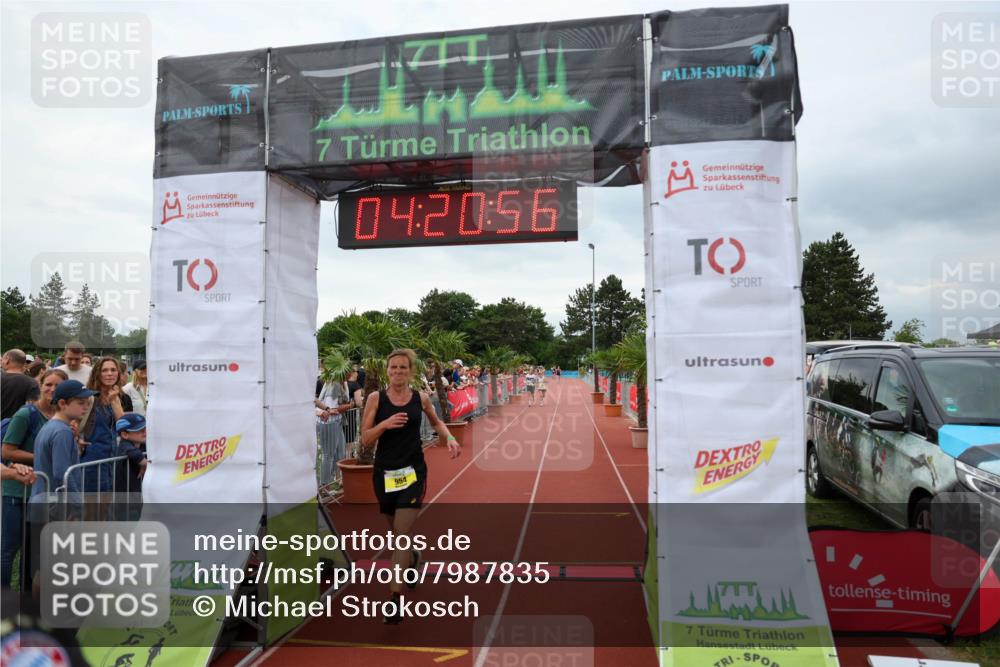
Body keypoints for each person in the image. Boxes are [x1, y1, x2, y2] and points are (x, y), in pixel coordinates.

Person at [360, 348, 460, 624]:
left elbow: (436, 421)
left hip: (414, 472)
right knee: (396, 536)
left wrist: (449, 437)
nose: (398, 372)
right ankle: (414, 556)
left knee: (401, 535)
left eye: (403, 368)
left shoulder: (421, 397)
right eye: (393, 368)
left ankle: (395, 601)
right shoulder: (375, 398)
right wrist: (385, 425)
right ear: (387, 371)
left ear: (411, 371)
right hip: (385, 473)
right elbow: (365, 439)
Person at [1, 369, 66, 588]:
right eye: (48, 384)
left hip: (42, 493)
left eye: (57, 386)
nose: (52, 389)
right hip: (17, 491)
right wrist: (42, 457)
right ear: (40, 385)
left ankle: (26, 600)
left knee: (33, 551)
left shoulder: (62, 418)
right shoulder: (26, 414)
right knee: (9, 549)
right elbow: (8, 451)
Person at [31, 380, 97, 498]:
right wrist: (76, 501)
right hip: (54, 504)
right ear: (62, 403)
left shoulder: (51, 426)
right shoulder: (62, 432)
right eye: (81, 403)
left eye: (88, 403)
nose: (86, 407)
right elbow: (62, 473)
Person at [79, 357, 132, 495]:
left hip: (110, 459)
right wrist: (76, 437)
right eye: (105, 370)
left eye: (113, 370)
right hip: (90, 459)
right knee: (92, 507)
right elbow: (70, 421)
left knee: (105, 505)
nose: (110, 374)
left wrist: (114, 400)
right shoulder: (88, 397)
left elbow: (123, 427)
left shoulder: (116, 396)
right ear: (97, 373)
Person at [315, 376, 351, 495]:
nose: (352, 373)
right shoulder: (334, 384)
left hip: (336, 421)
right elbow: (332, 409)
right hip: (329, 422)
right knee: (328, 454)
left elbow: (330, 408)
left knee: (340, 453)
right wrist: (350, 405)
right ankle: (324, 487)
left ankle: (331, 482)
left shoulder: (338, 383)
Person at [1, 349, 40, 420]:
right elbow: (32, 409)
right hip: (17, 427)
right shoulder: (31, 382)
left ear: (7, 360)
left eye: (2, 359)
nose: (1, 362)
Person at [114, 413, 148, 494]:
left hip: (137, 489)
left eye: (145, 429)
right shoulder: (124, 445)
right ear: (125, 434)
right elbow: (133, 453)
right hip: (125, 494)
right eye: (140, 430)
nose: (145, 433)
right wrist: (145, 464)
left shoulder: (143, 444)